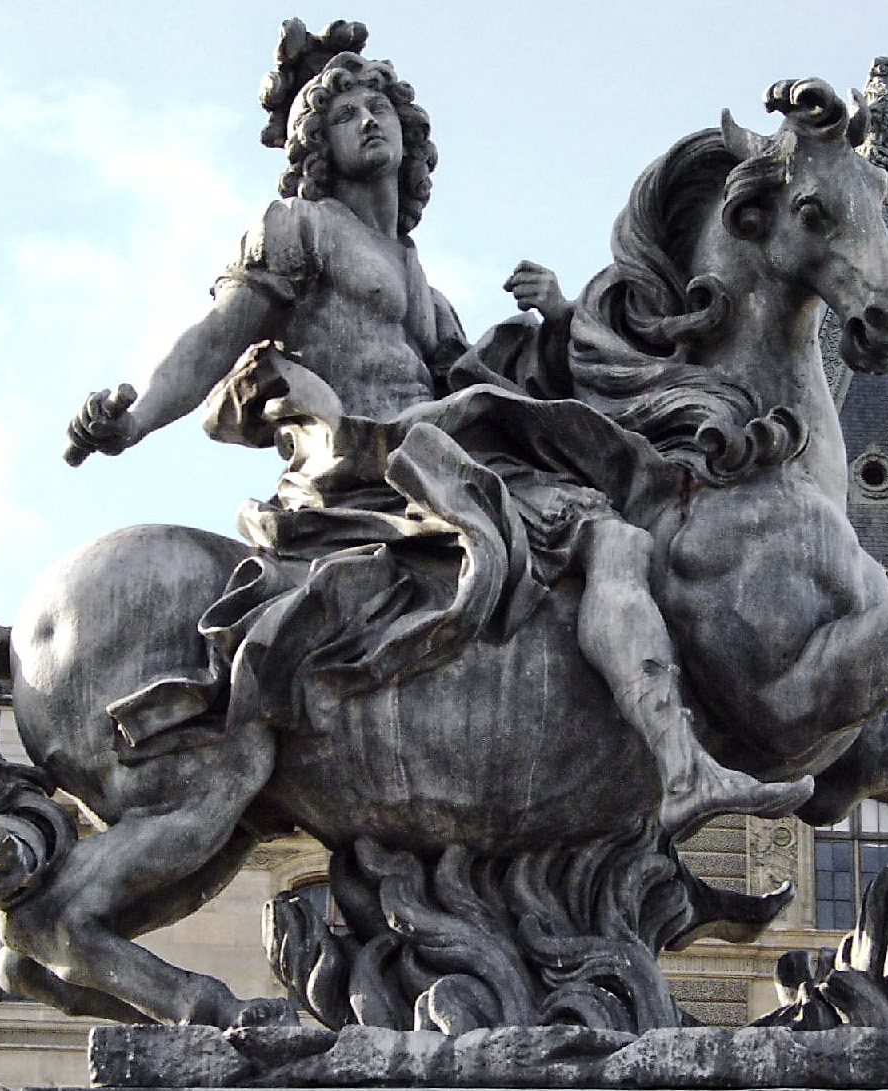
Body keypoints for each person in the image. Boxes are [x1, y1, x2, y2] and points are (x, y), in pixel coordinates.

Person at [65, 46, 807, 837]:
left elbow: (483, 384)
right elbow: (217, 337)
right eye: (344, 114)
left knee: (617, 530)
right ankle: (681, 766)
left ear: (409, 135)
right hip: (364, 461)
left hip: (437, 453)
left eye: (379, 108)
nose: (367, 119)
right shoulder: (299, 230)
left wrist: (558, 316)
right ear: (319, 148)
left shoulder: (424, 282)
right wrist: (137, 417)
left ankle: (672, 761)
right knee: (606, 535)